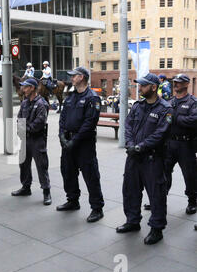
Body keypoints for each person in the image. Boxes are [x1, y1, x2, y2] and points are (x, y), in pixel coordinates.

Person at [116, 73, 173, 245]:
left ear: (154, 87)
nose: (139, 88)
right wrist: (131, 144)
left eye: (143, 85)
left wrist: (141, 146)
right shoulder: (138, 105)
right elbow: (128, 125)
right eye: (139, 85)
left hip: (152, 158)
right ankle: (133, 221)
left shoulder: (165, 109)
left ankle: (157, 228)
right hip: (134, 157)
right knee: (130, 190)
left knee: (156, 194)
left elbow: (161, 134)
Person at [58, 66, 105, 223]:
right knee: (67, 172)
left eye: (74, 75)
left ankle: (97, 208)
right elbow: (63, 118)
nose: (72, 78)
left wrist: (74, 140)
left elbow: (89, 123)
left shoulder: (92, 98)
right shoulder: (71, 96)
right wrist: (62, 136)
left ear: (83, 77)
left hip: (84, 144)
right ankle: (73, 200)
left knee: (90, 175)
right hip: (68, 142)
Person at [10, 78, 52, 204]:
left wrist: (26, 129)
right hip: (25, 139)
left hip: (37, 139)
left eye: (26, 87)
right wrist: (21, 130)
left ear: (32, 88)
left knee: (41, 165)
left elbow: (39, 122)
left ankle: (46, 192)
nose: (23, 89)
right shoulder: (24, 103)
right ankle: (26, 187)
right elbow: (19, 118)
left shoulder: (41, 103)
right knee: (23, 164)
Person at [164, 74, 197, 215]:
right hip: (169, 143)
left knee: (190, 175)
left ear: (186, 84)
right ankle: (159, 199)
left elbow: (193, 120)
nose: (175, 84)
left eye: (178, 82)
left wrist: (175, 117)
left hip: (186, 144)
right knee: (163, 173)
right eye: (174, 82)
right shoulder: (170, 101)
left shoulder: (193, 102)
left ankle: (192, 201)